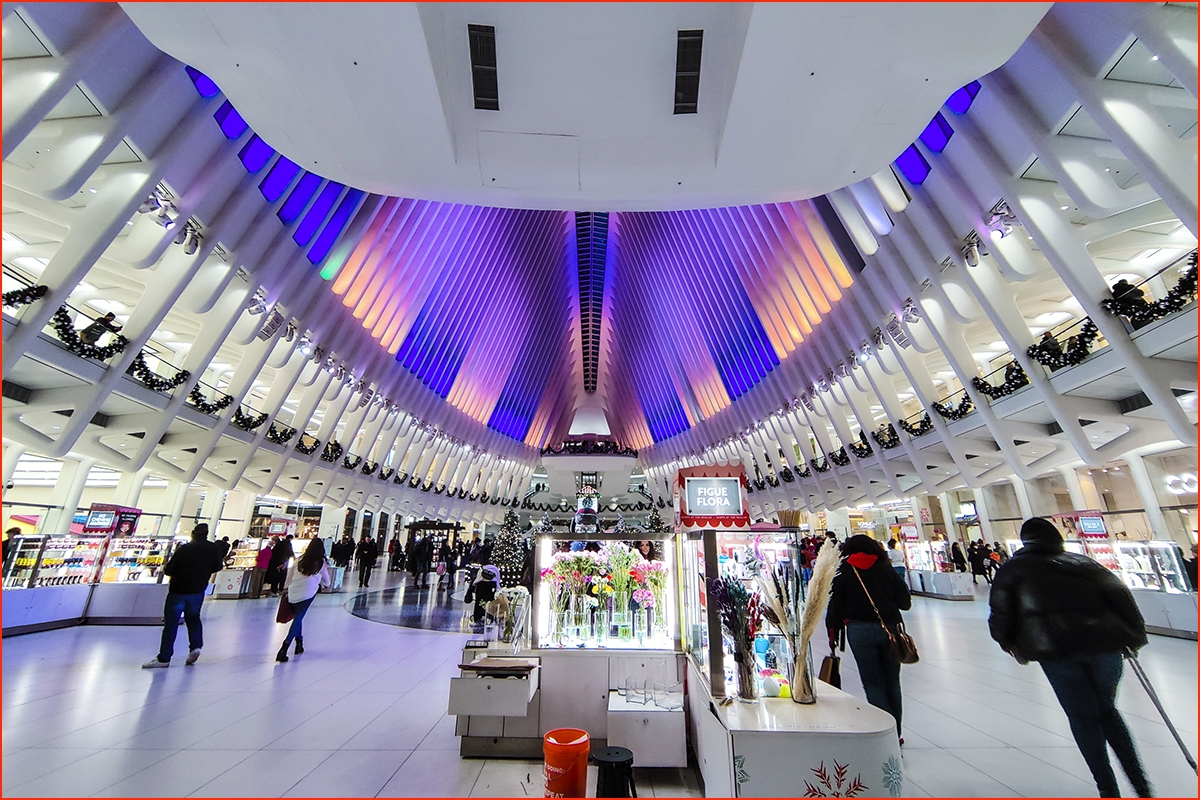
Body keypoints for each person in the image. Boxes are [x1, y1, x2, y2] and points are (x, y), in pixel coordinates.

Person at [988, 517, 1152, 798]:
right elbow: (1122, 598)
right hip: (1104, 646)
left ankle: (1107, 787)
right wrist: (1134, 637)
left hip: (1056, 650)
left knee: (1082, 715)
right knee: (1107, 710)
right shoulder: (1083, 563)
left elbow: (1001, 614)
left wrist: (1009, 644)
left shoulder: (1012, 570)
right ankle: (1141, 785)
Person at [825, 534, 912, 745]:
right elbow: (905, 602)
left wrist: (832, 631)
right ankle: (896, 733)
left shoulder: (844, 570)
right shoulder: (886, 568)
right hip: (890, 630)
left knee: (873, 683)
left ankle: (884, 734)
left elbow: (835, 604)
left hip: (859, 631)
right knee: (892, 682)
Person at [143, 524, 223, 668]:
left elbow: (169, 569)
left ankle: (164, 657)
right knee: (193, 619)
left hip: (178, 590)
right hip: (198, 590)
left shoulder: (184, 549)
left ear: (193, 533)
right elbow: (218, 566)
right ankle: (196, 646)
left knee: (171, 624)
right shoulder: (212, 548)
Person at [276, 538, 331, 662]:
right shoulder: (320, 562)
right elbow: (326, 579)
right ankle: (285, 647)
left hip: (293, 591)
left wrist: (286, 587)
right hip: (307, 593)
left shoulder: (300, 559)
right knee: (298, 618)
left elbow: (290, 574)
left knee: (298, 617)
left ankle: (299, 643)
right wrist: (326, 584)